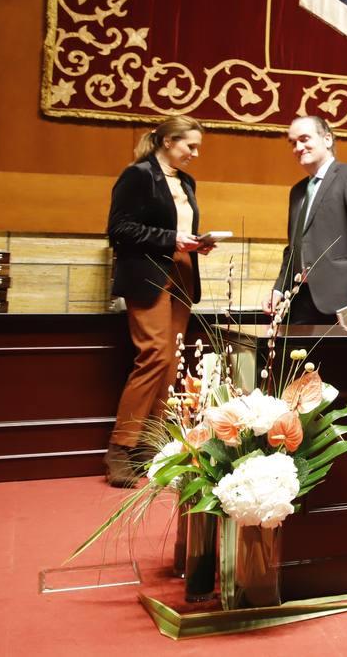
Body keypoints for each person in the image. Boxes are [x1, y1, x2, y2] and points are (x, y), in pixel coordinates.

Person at [105, 116, 213, 487]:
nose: (195, 154)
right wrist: (171, 238)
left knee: (172, 365)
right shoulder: (138, 175)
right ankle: (121, 448)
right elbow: (118, 229)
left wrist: (197, 242)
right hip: (148, 276)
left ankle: (150, 450)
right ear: (167, 141)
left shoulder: (186, 182)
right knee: (154, 355)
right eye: (190, 146)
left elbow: (177, 230)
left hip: (182, 273)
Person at [266, 115, 347, 326]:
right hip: (300, 300)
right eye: (293, 143)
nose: (298, 147)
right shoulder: (298, 191)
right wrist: (279, 288)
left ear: (327, 139)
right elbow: (293, 248)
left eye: (304, 139)